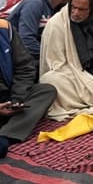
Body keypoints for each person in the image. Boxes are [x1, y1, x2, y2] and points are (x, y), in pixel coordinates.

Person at [0, 19, 57, 157]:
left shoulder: (5, 28)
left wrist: (16, 100)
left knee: (46, 90)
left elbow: (24, 66)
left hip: (8, 94)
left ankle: (7, 135)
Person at [8, 0, 76, 60]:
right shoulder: (34, 2)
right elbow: (26, 40)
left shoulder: (55, 7)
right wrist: (52, 56)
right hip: (14, 54)